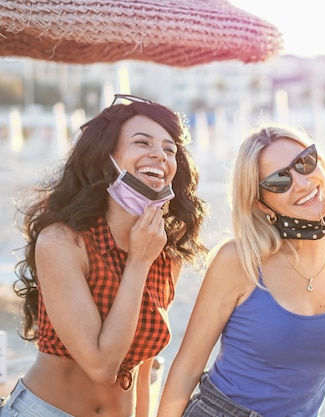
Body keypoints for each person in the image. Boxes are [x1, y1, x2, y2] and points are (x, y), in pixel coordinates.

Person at [1, 94, 208, 417]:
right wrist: (139, 262)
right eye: (143, 143)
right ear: (105, 157)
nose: (160, 154)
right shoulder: (62, 241)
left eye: (170, 149)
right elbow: (101, 366)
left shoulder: (164, 250)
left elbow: (142, 366)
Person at [156, 124, 325, 417]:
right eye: (279, 181)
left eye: (305, 162)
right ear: (261, 205)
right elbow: (187, 368)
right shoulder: (239, 260)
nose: (301, 183)